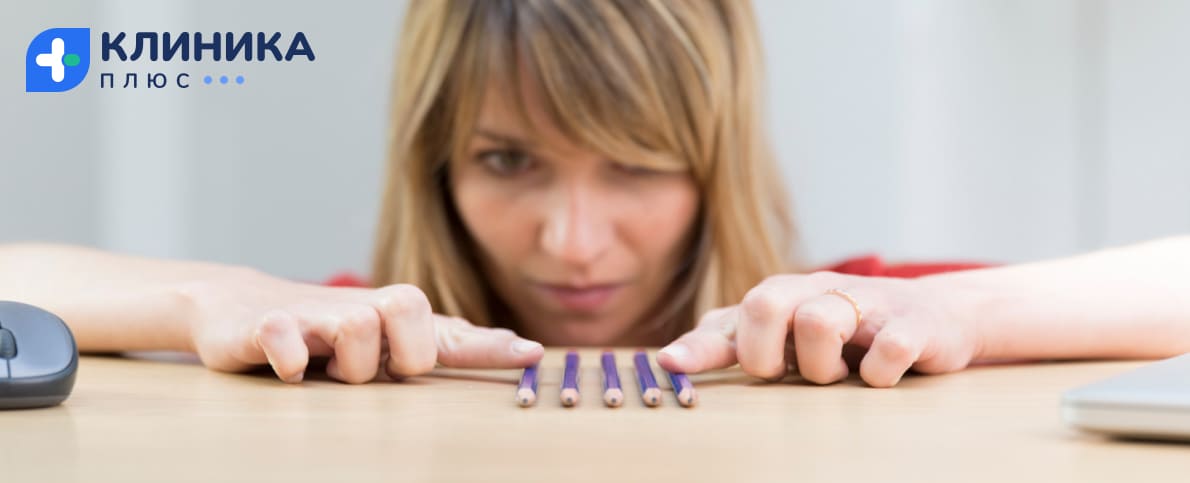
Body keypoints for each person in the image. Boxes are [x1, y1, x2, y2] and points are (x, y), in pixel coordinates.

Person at [3, 0, 1187, 388]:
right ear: (435, 161)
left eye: (636, 164)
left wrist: (963, 312)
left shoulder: (848, 324)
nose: (572, 241)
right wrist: (206, 295)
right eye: (507, 162)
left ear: (711, 158)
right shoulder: (343, 341)